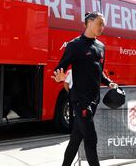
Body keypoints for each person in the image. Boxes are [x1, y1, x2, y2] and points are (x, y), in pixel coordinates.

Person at [52, 11, 118, 166]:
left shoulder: (101, 46)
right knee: (90, 139)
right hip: (80, 101)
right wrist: (58, 77)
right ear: (89, 23)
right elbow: (59, 68)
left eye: (104, 24)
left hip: (94, 100)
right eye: (100, 23)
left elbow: (98, 71)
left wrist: (109, 82)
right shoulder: (74, 45)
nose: (103, 27)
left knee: (76, 138)